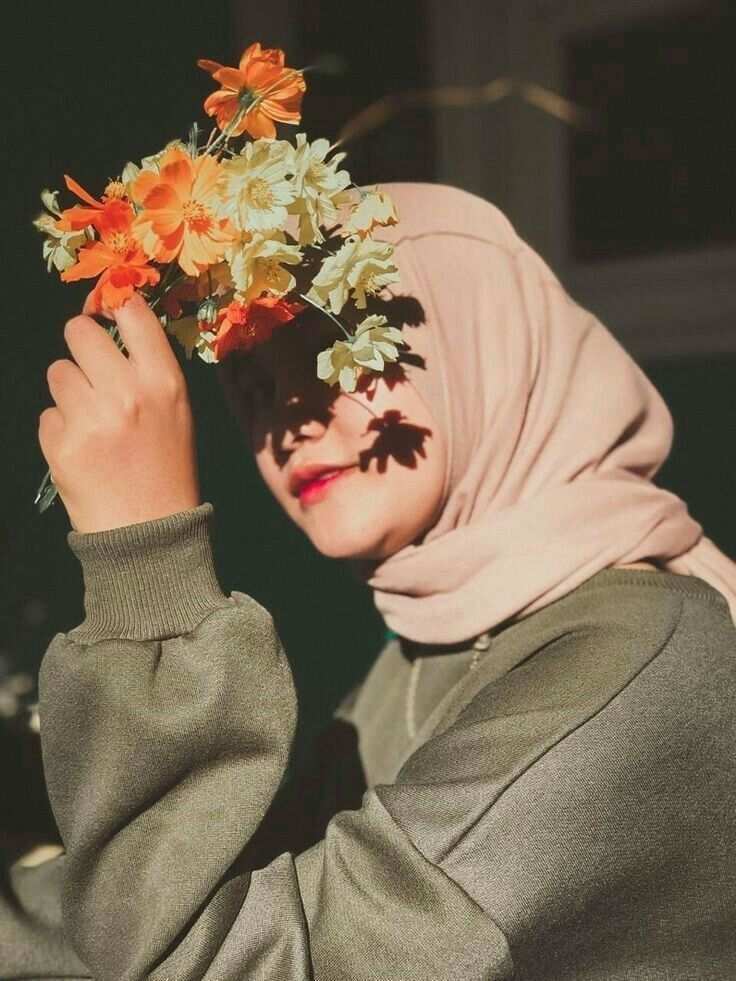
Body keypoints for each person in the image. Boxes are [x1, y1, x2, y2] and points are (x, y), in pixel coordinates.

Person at [3, 183, 735, 979]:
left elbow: (208, 959)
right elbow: (205, 893)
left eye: (337, 349)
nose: (291, 414)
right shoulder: (433, 643)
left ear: (482, 345)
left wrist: (145, 562)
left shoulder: (632, 669)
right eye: (250, 385)